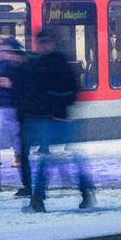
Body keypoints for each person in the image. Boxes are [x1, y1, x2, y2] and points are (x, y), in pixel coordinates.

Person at [21, 31, 94, 213]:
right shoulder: (58, 63)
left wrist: (49, 107)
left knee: (47, 161)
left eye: (44, 42)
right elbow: (73, 91)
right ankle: (85, 192)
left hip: (51, 118)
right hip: (58, 118)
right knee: (67, 158)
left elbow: (41, 93)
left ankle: (38, 199)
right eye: (40, 42)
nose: (42, 46)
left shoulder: (48, 64)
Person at [0, 37, 31, 197]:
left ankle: (29, 186)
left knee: (21, 147)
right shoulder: (6, 66)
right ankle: (28, 185)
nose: (2, 54)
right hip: (12, 109)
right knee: (20, 147)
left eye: (5, 51)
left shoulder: (21, 68)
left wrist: (11, 84)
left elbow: (26, 88)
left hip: (18, 110)